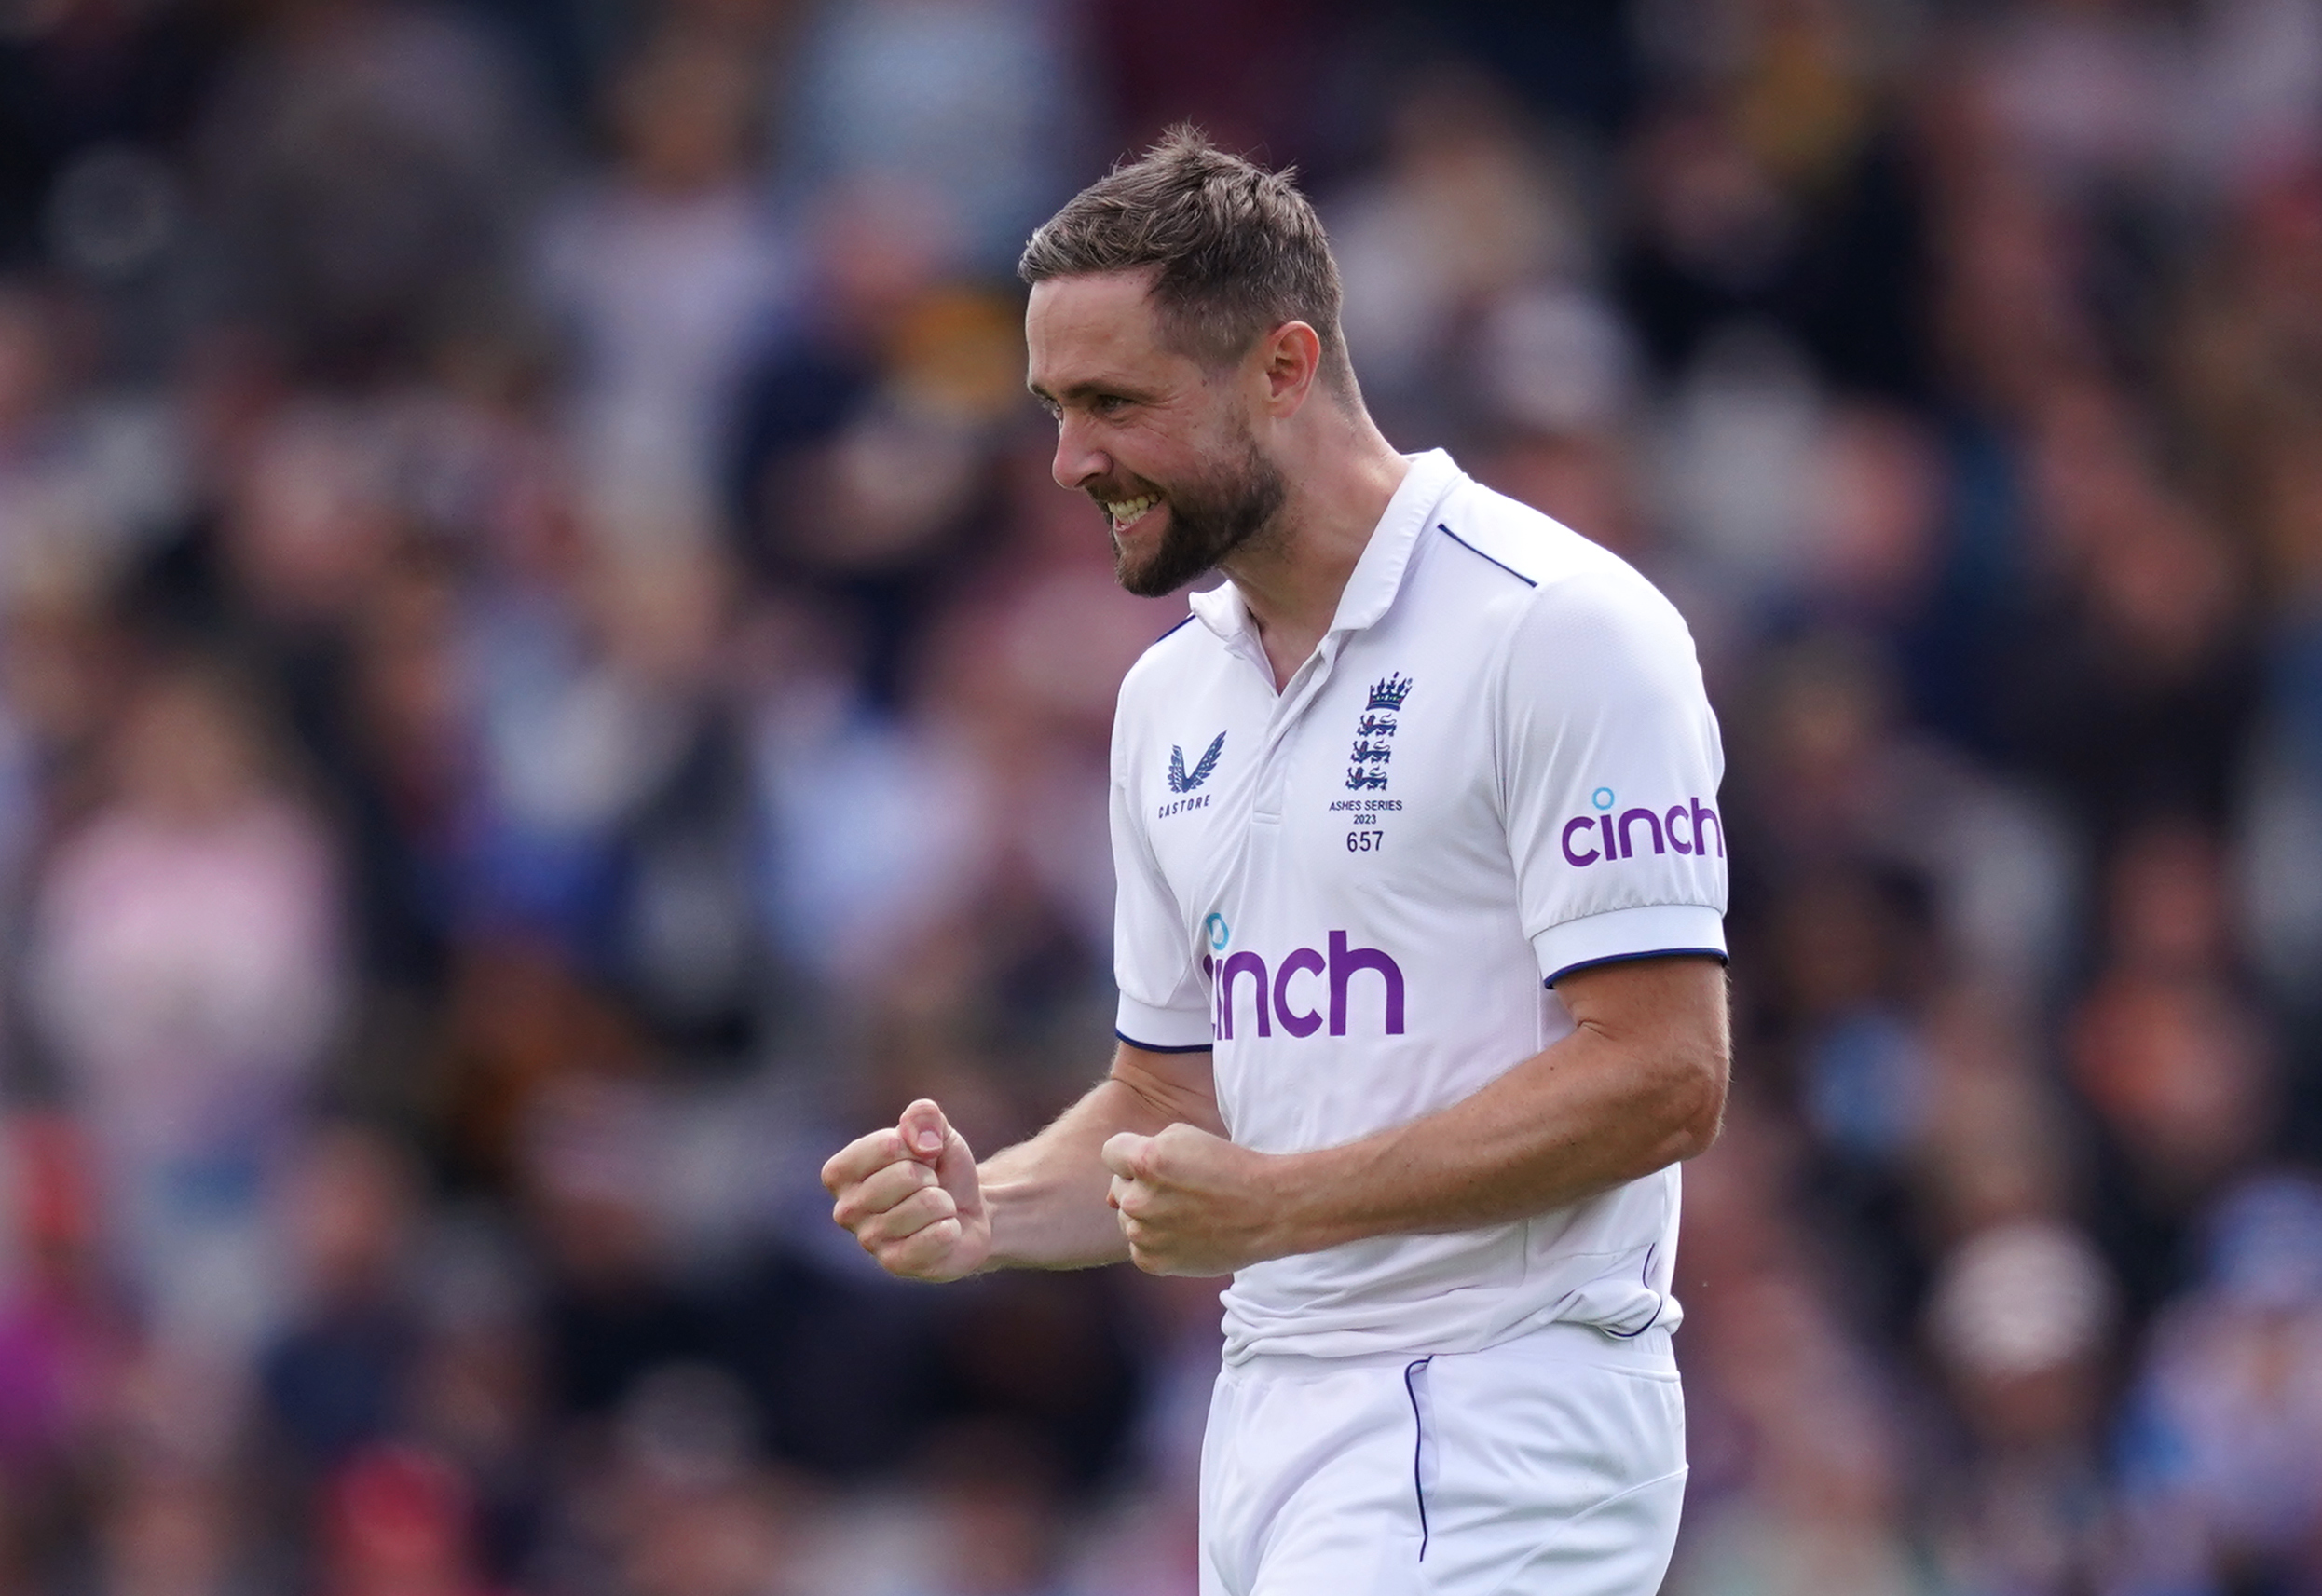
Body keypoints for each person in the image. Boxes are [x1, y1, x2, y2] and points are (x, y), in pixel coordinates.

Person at [821, 129, 1731, 1596]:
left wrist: (1285, 1202)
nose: (1070, 461)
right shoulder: (1167, 698)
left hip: (1499, 1404)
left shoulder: (1559, 627)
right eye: (1056, 409)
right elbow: (1169, 1100)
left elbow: (1666, 1072)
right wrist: (995, 1206)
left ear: (1284, 368)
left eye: (1115, 403)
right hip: (1267, 1423)